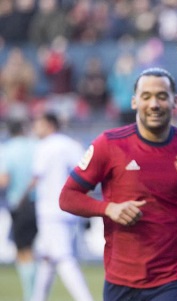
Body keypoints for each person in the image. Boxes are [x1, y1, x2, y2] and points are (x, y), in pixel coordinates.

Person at [59, 67, 177, 301]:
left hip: (175, 276)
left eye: (161, 96)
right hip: (121, 277)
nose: (154, 104)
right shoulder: (109, 145)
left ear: (175, 101)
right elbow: (68, 197)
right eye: (146, 97)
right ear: (134, 102)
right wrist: (109, 208)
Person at [29, 112, 94, 301]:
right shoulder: (71, 144)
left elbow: (36, 177)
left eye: (38, 123)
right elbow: (87, 175)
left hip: (50, 211)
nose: (35, 128)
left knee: (64, 259)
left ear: (49, 124)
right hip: (70, 209)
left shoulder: (44, 146)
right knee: (47, 259)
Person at [0, 118, 38, 301]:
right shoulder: (36, 146)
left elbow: (4, 180)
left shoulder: (7, 150)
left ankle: (31, 295)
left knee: (23, 250)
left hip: (19, 204)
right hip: (40, 203)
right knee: (34, 249)